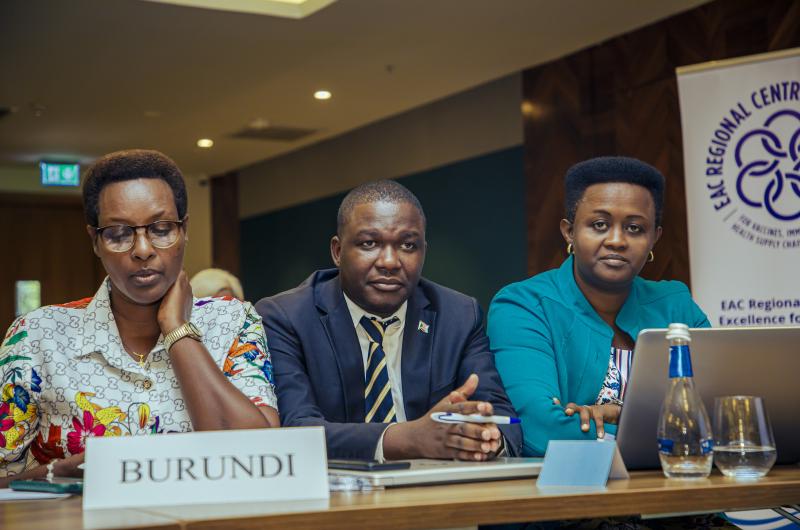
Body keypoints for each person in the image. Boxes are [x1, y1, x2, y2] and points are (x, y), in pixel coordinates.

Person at [0, 149, 279, 486]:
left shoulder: (234, 322)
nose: (143, 249)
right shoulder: (38, 337)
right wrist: (53, 474)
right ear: (95, 241)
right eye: (119, 234)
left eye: (161, 229)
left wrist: (178, 330)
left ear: (184, 229)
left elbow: (260, 457)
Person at [256, 180, 522, 460]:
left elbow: (505, 421)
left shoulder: (459, 315)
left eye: (408, 245)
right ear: (337, 251)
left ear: (423, 252)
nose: (390, 261)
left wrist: (484, 437)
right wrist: (408, 438)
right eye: (369, 243)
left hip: (438, 488)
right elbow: (296, 430)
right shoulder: (286, 317)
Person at [488, 156, 710, 457]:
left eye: (634, 228)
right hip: (575, 495)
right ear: (569, 232)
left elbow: (716, 411)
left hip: (682, 494)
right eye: (600, 224)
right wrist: (677, 439)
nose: (617, 240)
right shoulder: (524, 306)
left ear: (654, 238)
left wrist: (620, 414)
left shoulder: (675, 305)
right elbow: (539, 430)